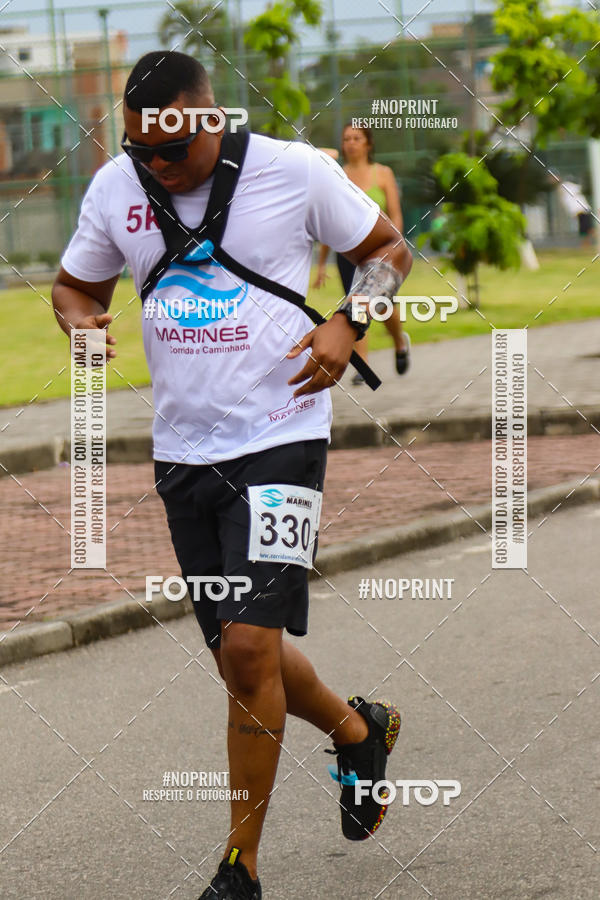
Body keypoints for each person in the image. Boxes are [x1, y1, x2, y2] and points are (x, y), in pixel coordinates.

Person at [52, 51, 411, 900]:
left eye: (170, 151)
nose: (156, 166)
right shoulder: (118, 185)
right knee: (237, 656)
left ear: (209, 120)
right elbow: (72, 287)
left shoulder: (292, 171)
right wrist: (79, 325)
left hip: (283, 435)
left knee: (251, 647)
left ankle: (238, 868)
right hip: (183, 452)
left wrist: (349, 323)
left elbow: (390, 251)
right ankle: (360, 730)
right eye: (141, 150)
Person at [313, 124, 410, 384]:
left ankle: (400, 342)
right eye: (346, 139)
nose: (351, 143)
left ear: (368, 143)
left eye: (357, 138)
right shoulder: (338, 175)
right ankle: (362, 365)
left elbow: (395, 212)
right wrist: (321, 263)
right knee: (356, 305)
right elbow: (330, 220)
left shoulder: (383, 174)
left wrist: (394, 246)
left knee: (383, 305)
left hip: (381, 251)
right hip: (348, 252)